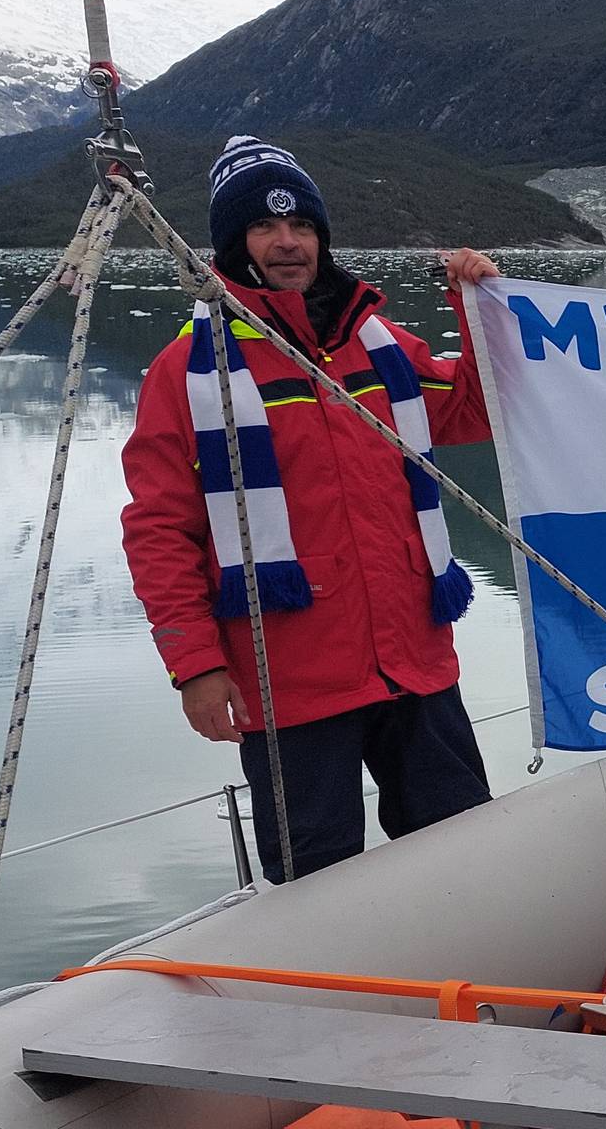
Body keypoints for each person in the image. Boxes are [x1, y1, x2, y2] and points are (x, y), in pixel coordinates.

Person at [120, 135, 501, 884]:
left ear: (322, 236)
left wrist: (480, 306)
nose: (288, 243)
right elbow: (159, 529)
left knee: (468, 862)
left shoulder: (382, 348)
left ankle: (473, 994)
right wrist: (194, 665)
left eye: (301, 226)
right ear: (236, 244)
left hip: (415, 665)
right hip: (288, 681)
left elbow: (477, 410)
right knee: (317, 888)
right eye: (265, 227)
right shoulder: (189, 374)